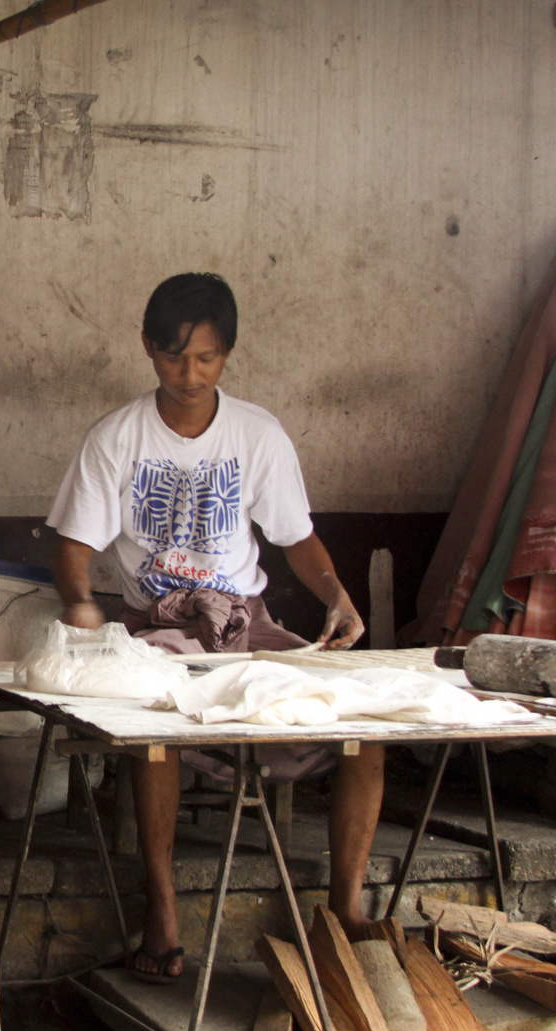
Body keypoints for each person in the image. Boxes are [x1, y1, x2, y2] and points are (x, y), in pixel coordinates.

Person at [45, 272, 381, 982]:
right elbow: (74, 549)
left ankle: (347, 911)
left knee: (365, 729)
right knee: (157, 734)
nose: (188, 375)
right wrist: (80, 603)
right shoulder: (115, 439)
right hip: (155, 624)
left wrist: (339, 599)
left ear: (228, 353)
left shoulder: (258, 435)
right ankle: (162, 916)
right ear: (147, 348)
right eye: (172, 358)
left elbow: (297, 539)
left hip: (244, 623)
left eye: (205, 358)